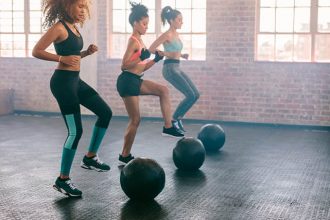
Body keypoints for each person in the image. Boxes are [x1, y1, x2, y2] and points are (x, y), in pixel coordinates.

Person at [32, 0, 112, 197]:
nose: (83, 10)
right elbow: (37, 51)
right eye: (79, 6)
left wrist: (86, 52)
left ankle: (90, 157)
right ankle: (63, 180)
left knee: (105, 113)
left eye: (84, 7)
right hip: (62, 83)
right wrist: (60, 58)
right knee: (76, 131)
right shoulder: (58, 27)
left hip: (75, 81)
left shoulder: (73, 27)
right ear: (66, 5)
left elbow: (72, 56)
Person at [116, 2, 184, 164]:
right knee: (135, 120)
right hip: (127, 81)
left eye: (148, 24)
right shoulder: (133, 41)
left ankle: (168, 127)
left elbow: (141, 67)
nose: (147, 27)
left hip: (134, 79)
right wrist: (142, 56)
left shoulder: (140, 41)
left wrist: (156, 59)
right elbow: (124, 65)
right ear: (135, 23)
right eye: (144, 24)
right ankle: (124, 155)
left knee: (163, 90)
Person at [149, 6, 200, 133]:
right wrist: (166, 54)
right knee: (190, 95)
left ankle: (177, 118)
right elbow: (151, 49)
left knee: (196, 95)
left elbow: (174, 51)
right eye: (179, 19)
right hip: (169, 69)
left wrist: (182, 55)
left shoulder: (176, 34)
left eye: (182, 20)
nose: (181, 22)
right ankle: (174, 119)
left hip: (177, 66)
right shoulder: (166, 35)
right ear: (171, 21)